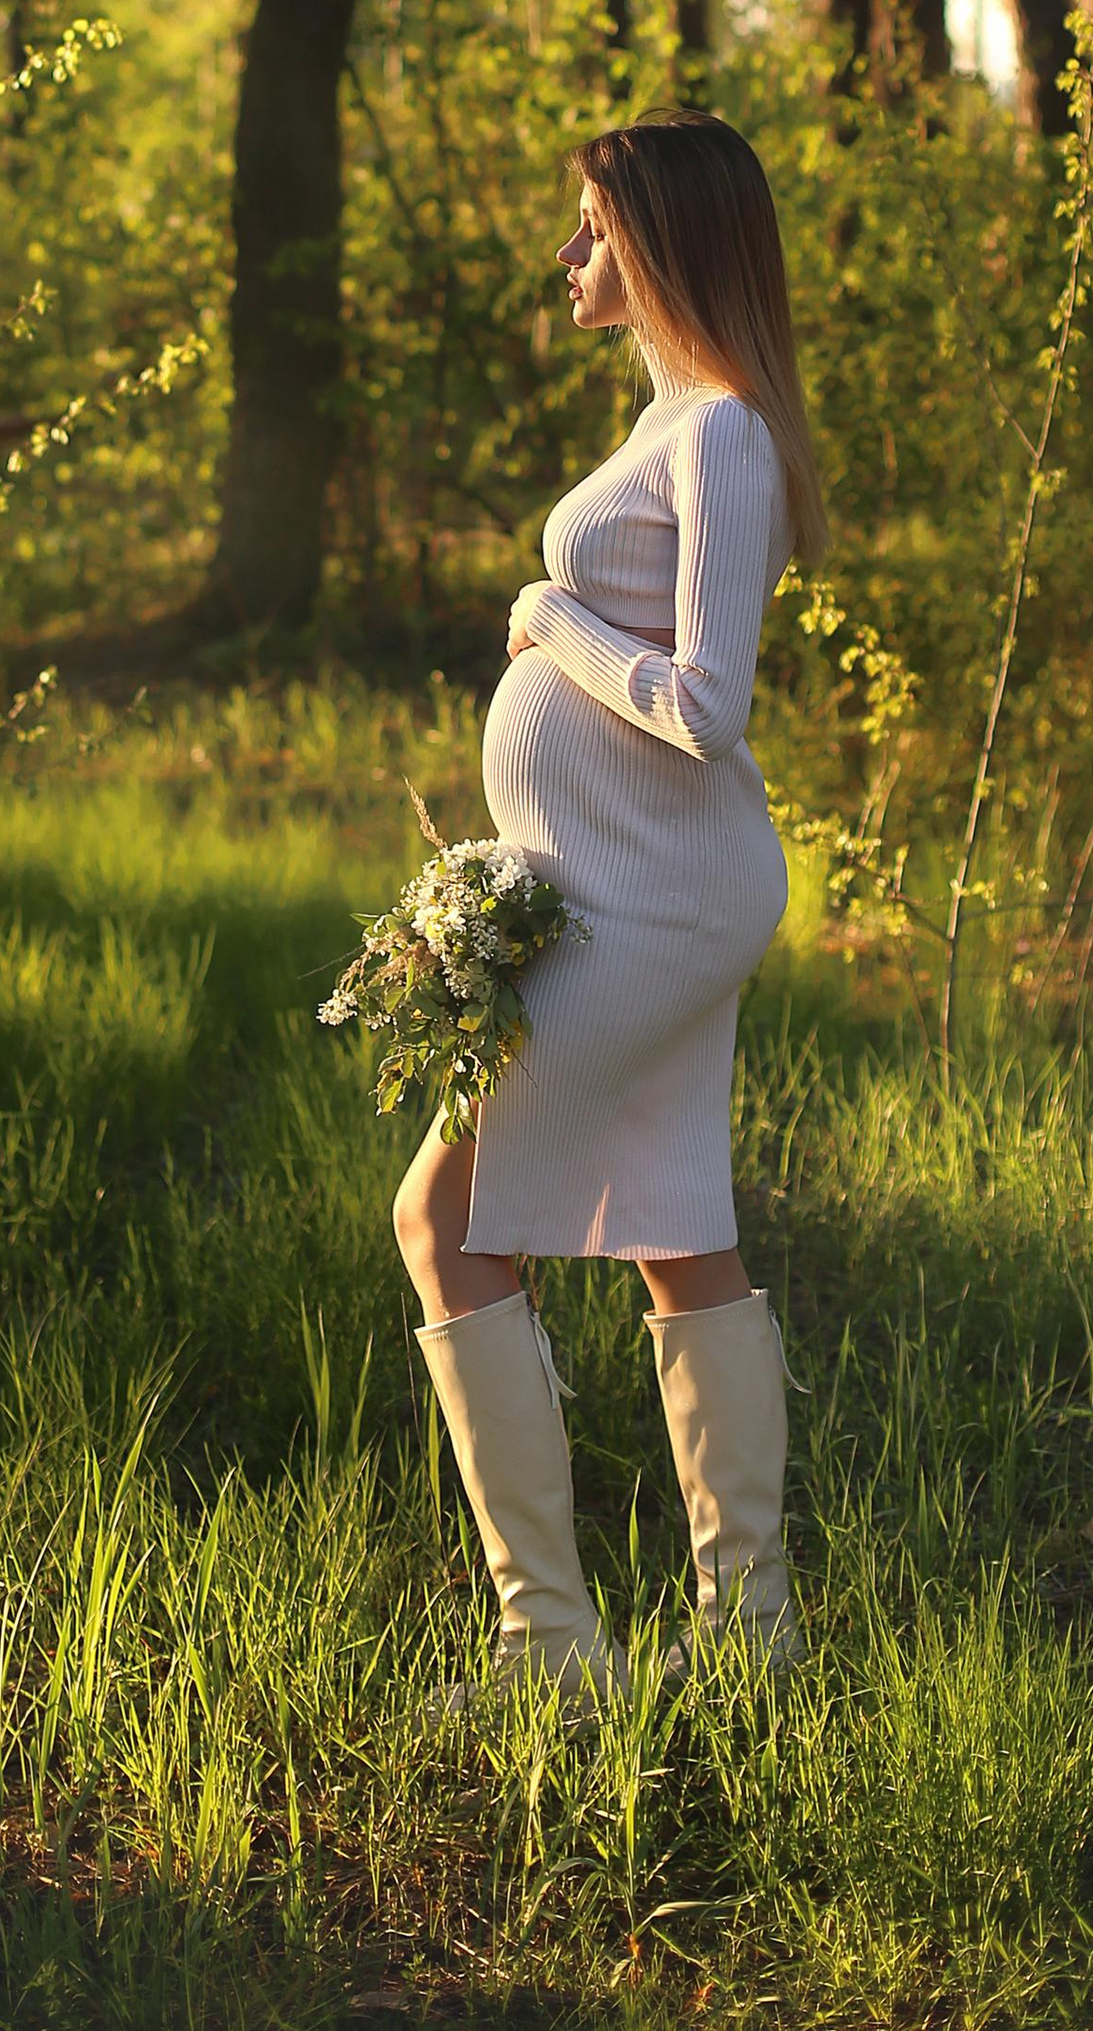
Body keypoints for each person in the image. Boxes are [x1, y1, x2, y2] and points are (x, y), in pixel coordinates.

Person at [392, 110, 829, 1691]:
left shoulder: (717, 429)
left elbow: (707, 704)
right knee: (676, 1240)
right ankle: (752, 1637)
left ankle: (551, 1651)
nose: (567, 254)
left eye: (588, 226)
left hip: (661, 901)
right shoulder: (677, 420)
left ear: (656, 243)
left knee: (439, 1222)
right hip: (620, 885)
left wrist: (551, 619)